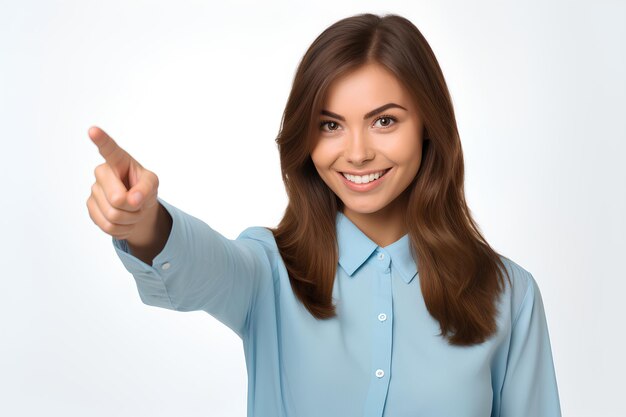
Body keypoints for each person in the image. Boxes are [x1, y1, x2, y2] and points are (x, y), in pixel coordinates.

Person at [86, 12, 561, 417]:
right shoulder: (268, 270)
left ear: (428, 128)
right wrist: (144, 222)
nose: (357, 153)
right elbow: (199, 264)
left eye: (385, 121)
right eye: (330, 125)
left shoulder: (510, 295)